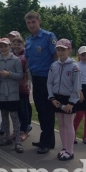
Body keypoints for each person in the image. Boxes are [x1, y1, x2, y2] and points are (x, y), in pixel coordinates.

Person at [24, 10, 58, 154]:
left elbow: (56, 57)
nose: (31, 25)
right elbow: (28, 60)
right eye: (28, 23)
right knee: (40, 110)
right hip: (35, 78)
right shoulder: (29, 40)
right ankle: (49, 140)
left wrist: (57, 78)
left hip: (47, 78)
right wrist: (25, 77)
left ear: (39, 21)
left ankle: (46, 141)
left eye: (33, 22)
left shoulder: (48, 37)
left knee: (47, 111)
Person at [47, 38, 81, 161]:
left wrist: (71, 102)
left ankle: (70, 151)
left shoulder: (74, 67)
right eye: (58, 49)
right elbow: (49, 83)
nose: (60, 52)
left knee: (68, 124)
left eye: (63, 49)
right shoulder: (53, 65)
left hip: (69, 100)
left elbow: (77, 86)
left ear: (70, 50)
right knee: (61, 124)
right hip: (56, 98)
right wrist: (51, 98)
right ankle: (64, 147)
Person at [0, 38, 24, 153]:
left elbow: (20, 75)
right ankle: (7, 137)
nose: (3, 49)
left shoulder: (15, 60)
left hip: (12, 93)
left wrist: (9, 74)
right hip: (1, 91)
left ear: (9, 47)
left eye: (5, 46)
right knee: (4, 115)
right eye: (1, 47)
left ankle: (17, 141)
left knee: (14, 116)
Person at [11, 36, 31, 141]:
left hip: (23, 86)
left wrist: (26, 80)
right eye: (14, 44)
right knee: (16, 110)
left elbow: (28, 69)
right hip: (13, 88)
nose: (16, 46)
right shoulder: (11, 56)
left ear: (23, 45)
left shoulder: (26, 56)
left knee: (24, 110)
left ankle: (24, 130)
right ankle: (16, 130)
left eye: (19, 44)